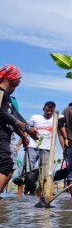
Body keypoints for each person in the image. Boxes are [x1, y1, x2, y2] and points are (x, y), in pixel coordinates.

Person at [0, 64, 39, 196]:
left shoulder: (6, 96)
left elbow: (15, 114)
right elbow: (4, 113)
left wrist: (27, 131)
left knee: (8, 166)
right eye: (18, 78)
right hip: (1, 133)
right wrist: (27, 128)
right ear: (11, 78)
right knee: (5, 164)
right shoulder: (0, 92)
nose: (20, 81)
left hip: (5, 134)